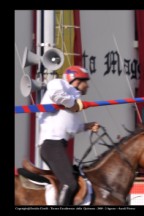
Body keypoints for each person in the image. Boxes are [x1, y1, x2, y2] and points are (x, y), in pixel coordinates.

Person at [38, 65, 100, 205]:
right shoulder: (59, 84)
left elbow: (72, 127)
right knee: (70, 184)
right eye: (86, 82)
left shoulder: (74, 100)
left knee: (74, 180)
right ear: (76, 81)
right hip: (51, 145)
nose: (88, 86)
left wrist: (87, 126)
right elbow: (56, 93)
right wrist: (73, 104)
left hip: (57, 146)